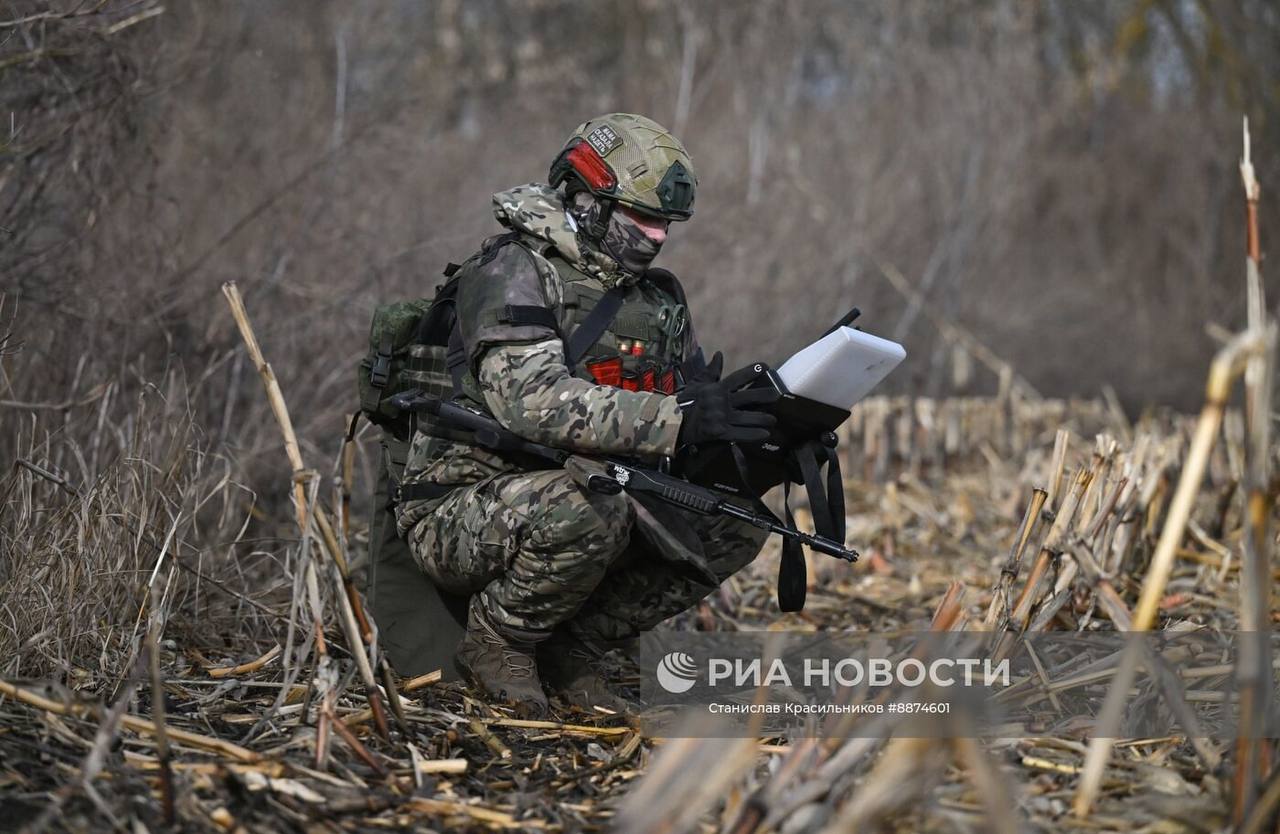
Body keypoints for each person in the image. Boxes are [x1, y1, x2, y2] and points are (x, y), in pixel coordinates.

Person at [394, 113, 778, 716]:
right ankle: (501, 642)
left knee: (738, 522)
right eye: (642, 219)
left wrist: (757, 435)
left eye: (666, 225)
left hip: (597, 489)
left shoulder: (655, 300)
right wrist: (676, 417)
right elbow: (534, 404)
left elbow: (675, 412)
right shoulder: (512, 272)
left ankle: (576, 647)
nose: (656, 238)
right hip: (461, 504)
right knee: (590, 504)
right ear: (585, 199)